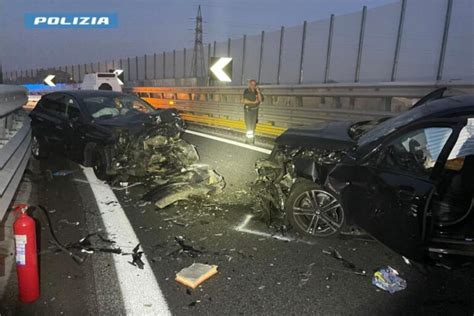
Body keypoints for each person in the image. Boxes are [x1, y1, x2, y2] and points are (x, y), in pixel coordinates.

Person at [242, 79, 263, 144]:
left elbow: (260, 100)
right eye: (252, 84)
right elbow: (244, 101)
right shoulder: (246, 91)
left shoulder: (257, 92)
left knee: (253, 126)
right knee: (249, 125)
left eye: (254, 84)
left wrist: (258, 92)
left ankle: (251, 139)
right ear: (249, 84)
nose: (253, 86)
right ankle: (248, 140)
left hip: (255, 111)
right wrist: (253, 102)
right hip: (248, 110)